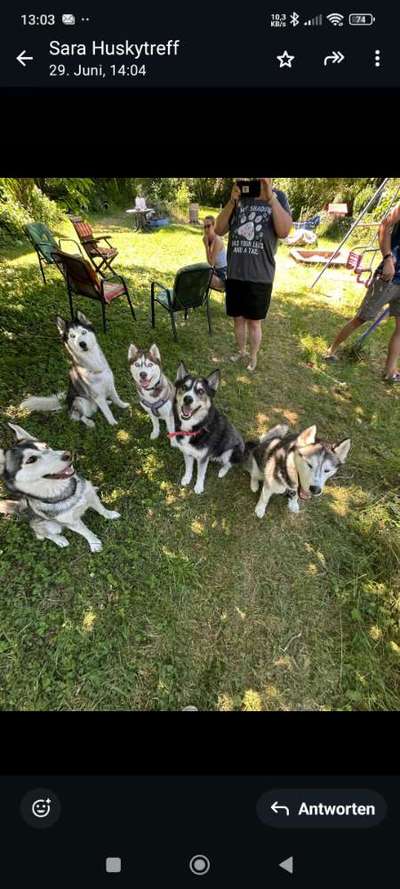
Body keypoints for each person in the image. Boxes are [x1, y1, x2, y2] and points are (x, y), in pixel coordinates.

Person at [215, 178, 292, 371]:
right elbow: (219, 228)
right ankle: (241, 352)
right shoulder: (240, 196)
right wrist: (232, 201)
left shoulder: (279, 197)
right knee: (238, 319)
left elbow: (283, 231)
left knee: (254, 322)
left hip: (260, 275)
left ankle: (253, 356)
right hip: (235, 273)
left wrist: (271, 198)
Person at [324, 202, 400, 382]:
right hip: (389, 276)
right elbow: (384, 224)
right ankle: (331, 350)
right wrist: (388, 258)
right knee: (362, 318)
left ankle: (390, 372)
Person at [202, 215, 227, 291]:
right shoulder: (209, 239)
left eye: (208, 226)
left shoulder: (217, 241)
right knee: (198, 273)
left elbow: (211, 264)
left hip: (223, 276)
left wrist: (206, 246)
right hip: (215, 271)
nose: (206, 229)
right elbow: (211, 264)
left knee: (203, 278)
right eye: (204, 227)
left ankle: (198, 299)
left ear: (213, 226)